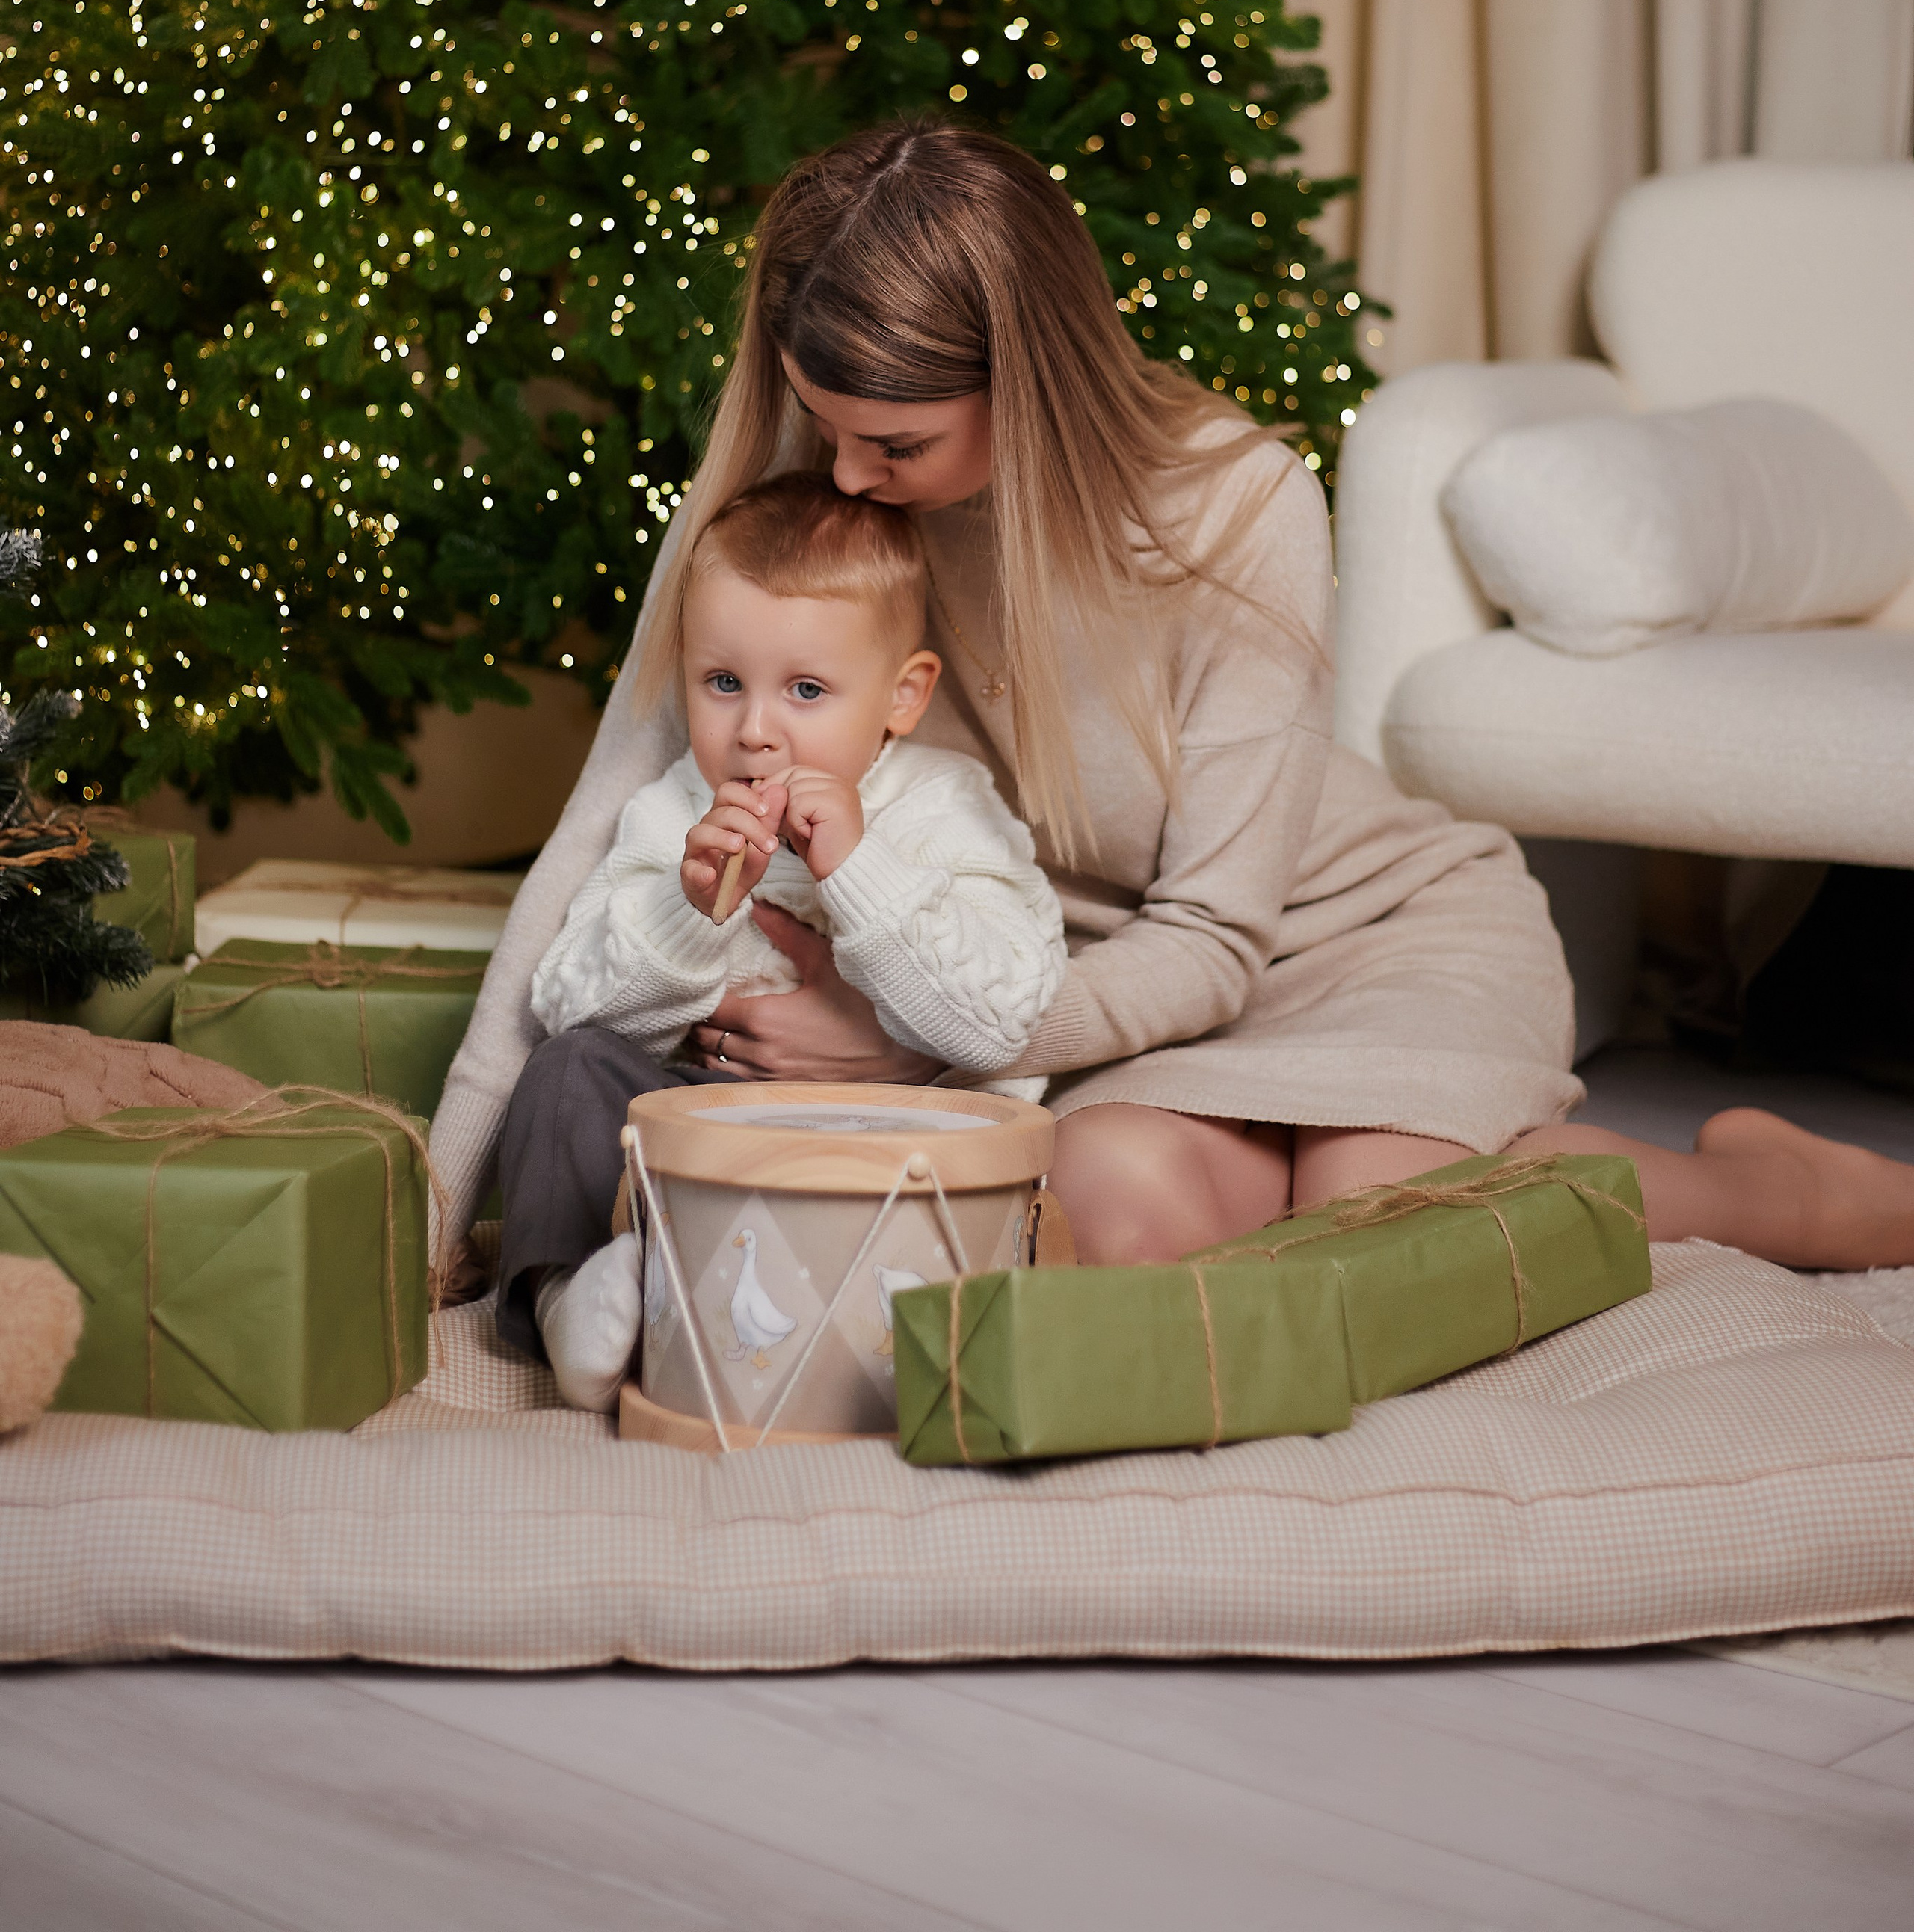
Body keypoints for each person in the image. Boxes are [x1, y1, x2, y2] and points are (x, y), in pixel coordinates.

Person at [431, 122, 1914, 1368]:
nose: (847, 480)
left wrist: (913, 1041)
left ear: (1032, 381)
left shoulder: (1238, 509)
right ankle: (1340, 1158)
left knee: (1377, 1213)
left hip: (1343, 933)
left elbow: (1213, 935)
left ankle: (1767, 1198)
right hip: (1050, 978)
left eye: (896, 445)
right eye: (827, 431)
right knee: (1115, 1216)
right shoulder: (788, 526)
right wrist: (444, 1208)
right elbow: (598, 829)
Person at [521, 470, 1064, 1406]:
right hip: (702, 1120)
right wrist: (683, 918)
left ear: (903, 695)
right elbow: (569, 1004)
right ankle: (571, 1298)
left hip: (886, 1136)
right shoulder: (672, 811)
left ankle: (834, 1315)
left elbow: (1002, 1023)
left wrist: (858, 873)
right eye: (722, 683)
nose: (756, 732)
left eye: (806, 690)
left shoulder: (944, 808)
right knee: (567, 1070)